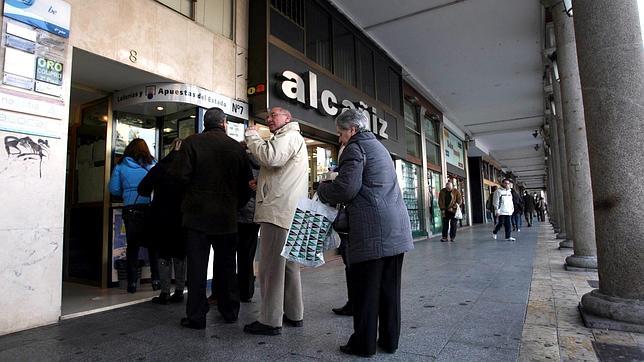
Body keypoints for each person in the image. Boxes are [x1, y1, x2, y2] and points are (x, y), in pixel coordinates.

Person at [318, 109, 414, 357]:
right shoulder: (379, 147)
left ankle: (363, 344)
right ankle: (390, 341)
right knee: (389, 290)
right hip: (396, 229)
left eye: (340, 133)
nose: (340, 139)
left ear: (351, 130)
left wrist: (324, 187)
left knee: (366, 291)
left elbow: (346, 190)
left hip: (372, 230)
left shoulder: (354, 147)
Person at [173, 107, 252, 329]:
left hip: (196, 216)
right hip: (226, 217)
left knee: (197, 268)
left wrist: (188, 201)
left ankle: (196, 317)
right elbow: (246, 187)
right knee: (227, 265)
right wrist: (233, 205)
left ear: (205, 123)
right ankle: (230, 311)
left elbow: (179, 177)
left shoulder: (191, 143)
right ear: (224, 123)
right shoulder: (236, 148)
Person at [242, 107, 309, 336]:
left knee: (271, 268)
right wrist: (261, 180)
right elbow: (281, 170)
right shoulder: (289, 138)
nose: (269, 119)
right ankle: (294, 314)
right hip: (288, 210)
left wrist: (251, 136)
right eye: (267, 116)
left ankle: (270, 321)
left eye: (274, 115)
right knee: (289, 266)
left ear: (287, 119)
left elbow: (271, 157)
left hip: (278, 211)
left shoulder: (288, 135)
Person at [137, 138, 186, 304]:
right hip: (182, 216)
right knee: (180, 253)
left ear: (170, 149)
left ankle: (165, 292)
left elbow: (143, 188)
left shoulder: (161, 167)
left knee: (164, 253)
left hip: (162, 216)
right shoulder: (189, 168)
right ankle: (179, 291)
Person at [109, 138, 158, 294]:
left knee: (133, 246)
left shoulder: (121, 165)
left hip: (131, 209)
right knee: (153, 246)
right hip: (150, 209)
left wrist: (127, 192)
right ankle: (156, 280)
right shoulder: (153, 164)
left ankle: (131, 284)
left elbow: (114, 189)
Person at [236, 146, 261, 303]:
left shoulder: (241, 163)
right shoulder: (262, 164)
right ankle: (247, 290)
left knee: (237, 253)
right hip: (255, 213)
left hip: (240, 212)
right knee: (248, 254)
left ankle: (240, 289)